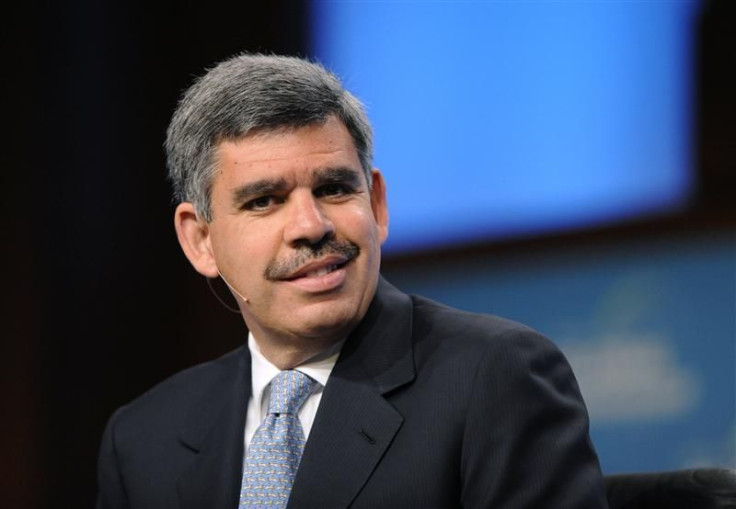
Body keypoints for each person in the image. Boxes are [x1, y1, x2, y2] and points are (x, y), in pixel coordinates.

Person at [96, 52, 609, 508]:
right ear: (200, 240)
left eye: (335, 188)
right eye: (264, 201)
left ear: (377, 203)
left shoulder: (496, 378)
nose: (311, 226)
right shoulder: (144, 438)